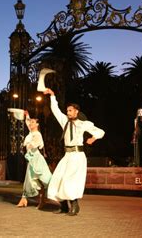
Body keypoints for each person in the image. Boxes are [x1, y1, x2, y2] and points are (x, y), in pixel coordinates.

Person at [43, 88, 105, 216]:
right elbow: (55, 110)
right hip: (67, 155)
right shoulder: (65, 122)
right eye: (67, 111)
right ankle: (64, 206)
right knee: (57, 179)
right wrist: (52, 95)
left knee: (69, 180)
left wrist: (93, 138)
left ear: (76, 111)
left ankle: (75, 206)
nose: (68, 112)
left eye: (70, 110)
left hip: (77, 155)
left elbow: (100, 132)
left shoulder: (83, 124)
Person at [16, 111, 52, 209]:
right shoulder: (31, 133)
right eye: (30, 122)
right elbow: (27, 123)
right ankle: (24, 199)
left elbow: (35, 144)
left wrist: (29, 145)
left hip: (36, 158)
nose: (30, 123)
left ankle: (43, 200)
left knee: (43, 180)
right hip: (31, 159)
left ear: (37, 124)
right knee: (30, 180)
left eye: (33, 122)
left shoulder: (37, 134)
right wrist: (27, 115)